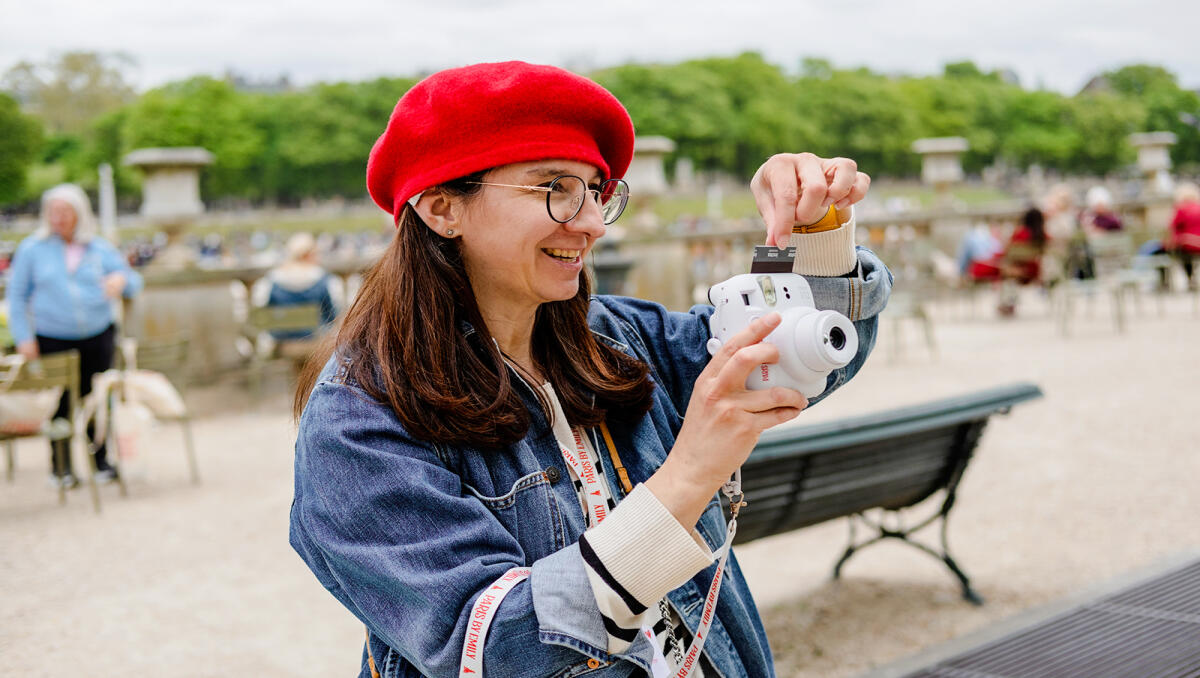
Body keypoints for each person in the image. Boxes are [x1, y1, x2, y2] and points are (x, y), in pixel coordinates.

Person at [288, 61, 891, 678]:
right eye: (556, 188)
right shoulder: (359, 416)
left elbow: (806, 361)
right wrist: (687, 478)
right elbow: (492, 647)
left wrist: (815, 224)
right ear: (443, 208)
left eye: (597, 191)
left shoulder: (617, 340)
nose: (594, 224)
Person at [6, 183, 144, 488]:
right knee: (61, 403)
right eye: (53, 211)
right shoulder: (32, 249)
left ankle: (101, 462)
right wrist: (23, 337)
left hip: (97, 334)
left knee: (98, 400)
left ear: (79, 213)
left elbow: (133, 281)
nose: (58, 217)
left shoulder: (97, 247)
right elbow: (16, 297)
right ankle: (61, 467)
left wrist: (121, 280)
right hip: (53, 336)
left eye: (64, 211)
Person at [250, 231, 343, 340]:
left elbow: (261, 315)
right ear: (308, 254)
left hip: (281, 340)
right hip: (314, 339)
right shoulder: (322, 278)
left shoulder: (272, 279)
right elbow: (332, 316)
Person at [1162, 182, 1200, 290]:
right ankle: (1191, 278)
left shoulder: (1181, 209)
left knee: (1174, 253)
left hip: (1188, 245)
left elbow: (1172, 226)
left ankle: (1186, 278)